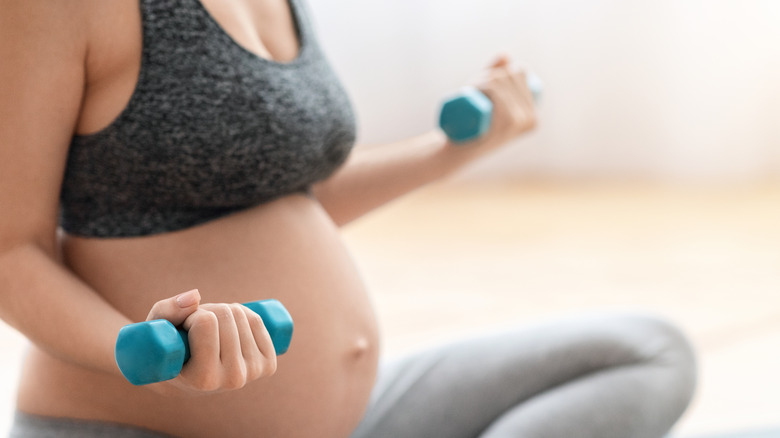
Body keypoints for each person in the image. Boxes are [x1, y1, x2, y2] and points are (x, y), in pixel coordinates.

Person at [0, 0, 697, 437]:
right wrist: (143, 350)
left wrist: (451, 151)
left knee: (647, 352)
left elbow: (284, 197)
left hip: (349, 421)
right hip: (131, 425)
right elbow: (11, 250)